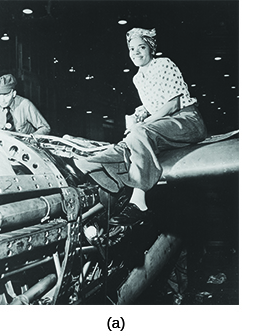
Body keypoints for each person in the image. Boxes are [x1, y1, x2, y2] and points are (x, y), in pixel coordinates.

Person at [75, 27, 207, 226]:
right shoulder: (137, 77)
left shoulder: (164, 64)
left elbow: (173, 104)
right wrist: (139, 113)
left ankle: (139, 201)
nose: (136, 52)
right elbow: (154, 102)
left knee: (138, 132)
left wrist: (143, 123)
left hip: (187, 121)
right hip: (164, 124)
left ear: (151, 49)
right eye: (132, 49)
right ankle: (100, 167)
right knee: (128, 142)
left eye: (141, 47)